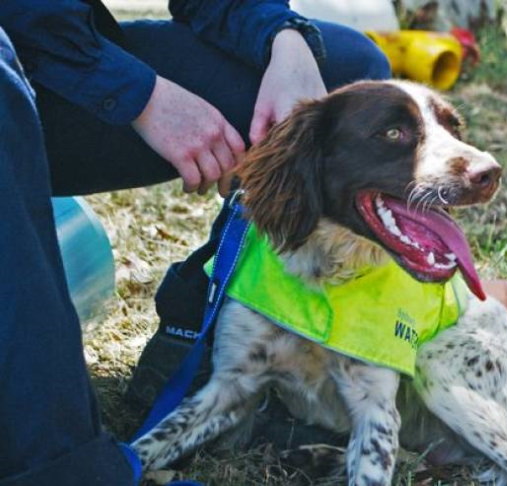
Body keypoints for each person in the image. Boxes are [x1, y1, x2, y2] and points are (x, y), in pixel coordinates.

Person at [0, 0, 390, 483]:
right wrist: (140, 96)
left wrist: (283, 41)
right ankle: (60, 464)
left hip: (44, 70)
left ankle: (237, 356)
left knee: (343, 82)